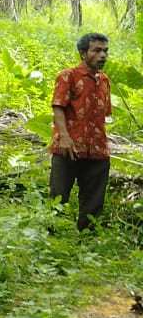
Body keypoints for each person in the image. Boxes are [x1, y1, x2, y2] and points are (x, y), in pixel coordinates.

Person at [49, 32, 112, 232]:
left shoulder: (104, 80)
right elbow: (58, 106)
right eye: (97, 51)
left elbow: (104, 114)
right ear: (82, 53)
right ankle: (50, 236)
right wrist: (65, 137)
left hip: (97, 149)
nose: (102, 56)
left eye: (105, 51)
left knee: (94, 199)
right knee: (59, 195)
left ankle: (87, 239)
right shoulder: (68, 76)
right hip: (69, 147)